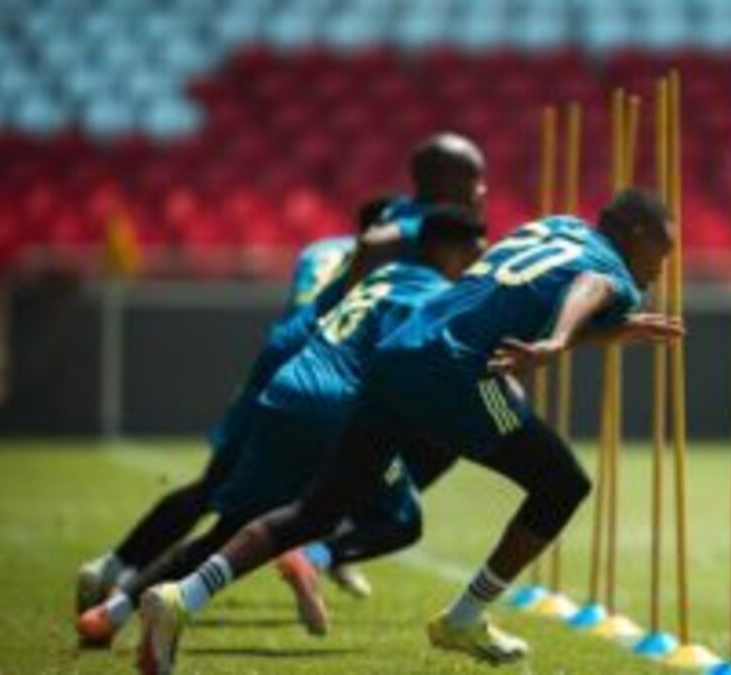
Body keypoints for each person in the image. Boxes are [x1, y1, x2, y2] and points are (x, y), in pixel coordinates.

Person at [136, 188, 682, 673]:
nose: (663, 266)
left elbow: (520, 295)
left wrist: (595, 335)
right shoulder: (613, 273)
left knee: (317, 512)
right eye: (665, 248)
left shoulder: (556, 226)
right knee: (563, 484)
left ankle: (182, 596)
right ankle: (464, 618)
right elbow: (590, 285)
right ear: (637, 232)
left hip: (399, 354)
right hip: (458, 372)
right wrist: (561, 339)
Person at [74, 132, 487, 645]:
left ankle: (115, 594)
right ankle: (319, 546)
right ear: (448, 181)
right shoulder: (416, 234)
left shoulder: (384, 223)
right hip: (330, 372)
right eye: (476, 178)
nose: (483, 189)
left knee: (227, 504)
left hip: (292, 363)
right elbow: (381, 259)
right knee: (360, 510)